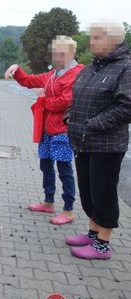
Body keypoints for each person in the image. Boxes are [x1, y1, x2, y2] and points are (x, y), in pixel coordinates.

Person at [65, 21, 131, 260]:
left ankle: (103, 244)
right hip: (83, 142)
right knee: (89, 191)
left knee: (103, 193)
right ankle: (93, 233)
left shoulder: (125, 68)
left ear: (114, 40)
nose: (92, 42)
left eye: (97, 37)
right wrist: (70, 115)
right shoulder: (93, 67)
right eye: (91, 37)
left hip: (106, 145)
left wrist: (94, 124)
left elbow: (127, 106)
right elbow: (79, 96)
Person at [5, 36, 84, 225]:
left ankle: (68, 210)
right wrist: (17, 70)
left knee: (64, 169)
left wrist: (42, 100)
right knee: (46, 166)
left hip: (63, 130)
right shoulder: (53, 74)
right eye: (55, 53)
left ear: (72, 53)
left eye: (61, 53)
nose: (57, 57)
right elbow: (30, 81)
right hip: (47, 129)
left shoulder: (76, 74)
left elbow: (66, 101)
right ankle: (49, 202)